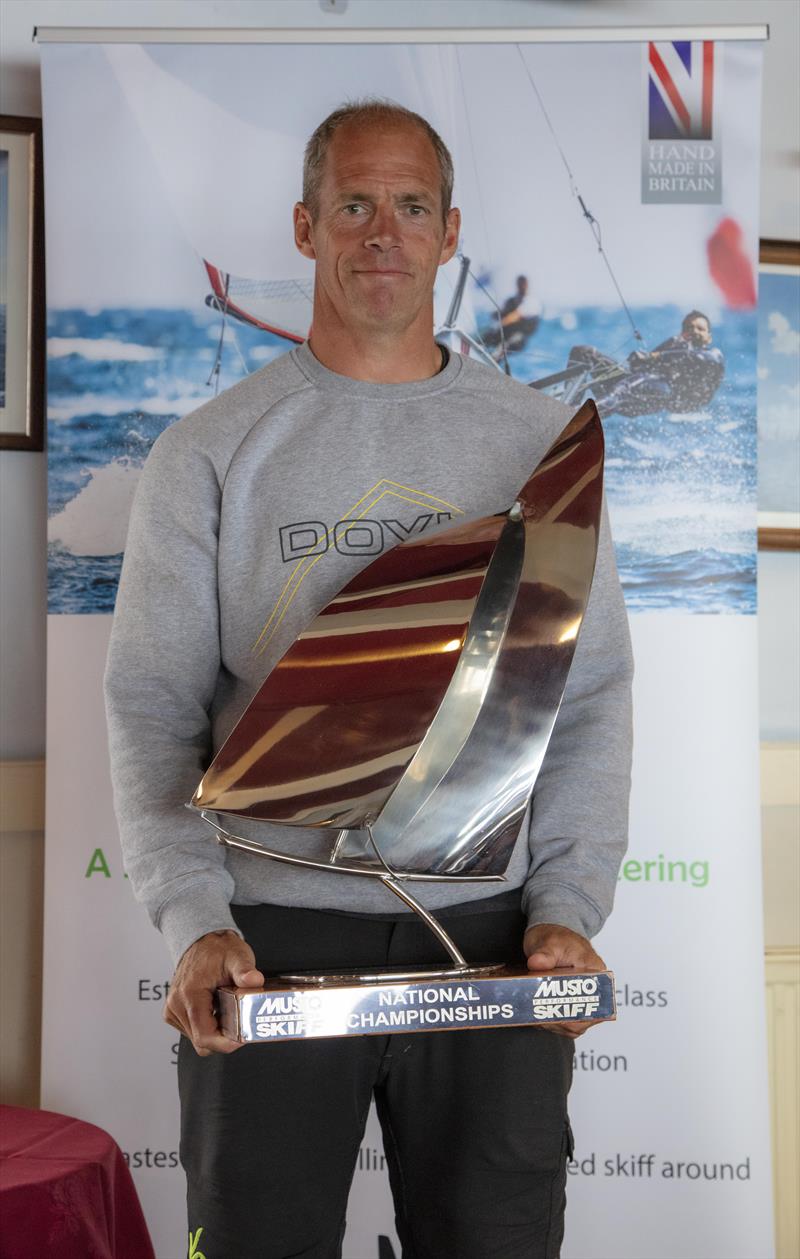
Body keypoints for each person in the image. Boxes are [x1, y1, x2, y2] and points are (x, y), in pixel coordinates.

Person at [105, 100, 633, 1259]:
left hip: (489, 938)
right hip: (267, 937)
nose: (380, 232)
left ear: (450, 234)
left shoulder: (544, 445)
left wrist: (563, 912)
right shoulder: (209, 451)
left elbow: (585, 699)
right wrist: (197, 922)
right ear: (305, 227)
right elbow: (150, 702)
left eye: (409, 206)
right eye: (353, 203)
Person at [567, 310, 725, 417]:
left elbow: (698, 358)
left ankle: (578, 418)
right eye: (689, 327)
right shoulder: (674, 344)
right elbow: (642, 366)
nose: (694, 331)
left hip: (660, 395)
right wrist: (639, 359)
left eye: (700, 328)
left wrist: (655, 356)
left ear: (709, 337)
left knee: (627, 386)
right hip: (630, 390)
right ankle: (567, 409)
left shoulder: (714, 355)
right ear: (683, 333)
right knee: (583, 352)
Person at [483, 273, 542, 358]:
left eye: (523, 284)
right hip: (505, 332)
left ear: (526, 285)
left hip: (518, 338)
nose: (521, 286)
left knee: (504, 348)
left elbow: (515, 316)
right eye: (519, 284)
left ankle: (491, 360)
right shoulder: (511, 300)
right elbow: (498, 313)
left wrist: (499, 324)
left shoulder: (531, 302)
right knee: (487, 337)